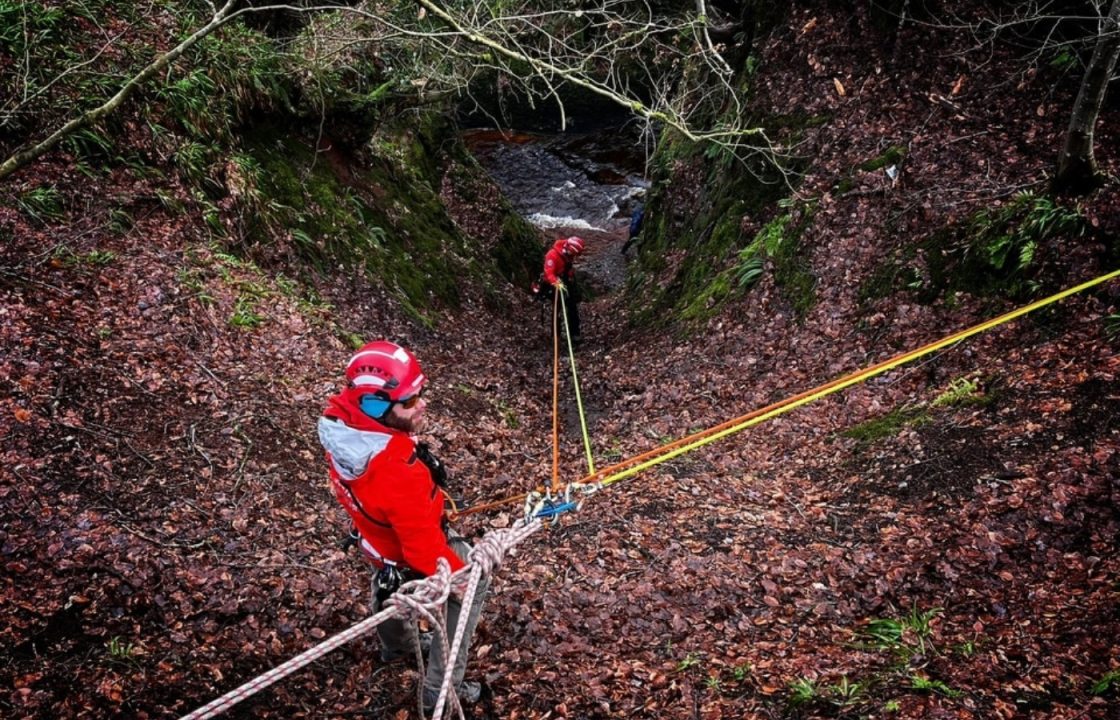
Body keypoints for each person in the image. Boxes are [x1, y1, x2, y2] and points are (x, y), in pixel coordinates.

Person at [317, 340, 486, 712]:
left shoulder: (343, 427)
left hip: (376, 540)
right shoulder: (397, 470)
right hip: (403, 539)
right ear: (377, 407)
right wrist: (460, 578)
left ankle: (397, 647)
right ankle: (440, 691)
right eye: (409, 402)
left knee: (388, 581)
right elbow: (422, 550)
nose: (421, 404)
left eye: (420, 394)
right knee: (473, 581)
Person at [542, 235, 585, 343]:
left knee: (572, 308)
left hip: (565, 282)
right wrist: (556, 283)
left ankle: (575, 334)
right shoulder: (552, 255)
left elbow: (568, 268)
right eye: (573, 254)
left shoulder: (568, 255)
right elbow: (549, 273)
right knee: (557, 310)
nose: (574, 257)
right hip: (553, 284)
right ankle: (556, 335)